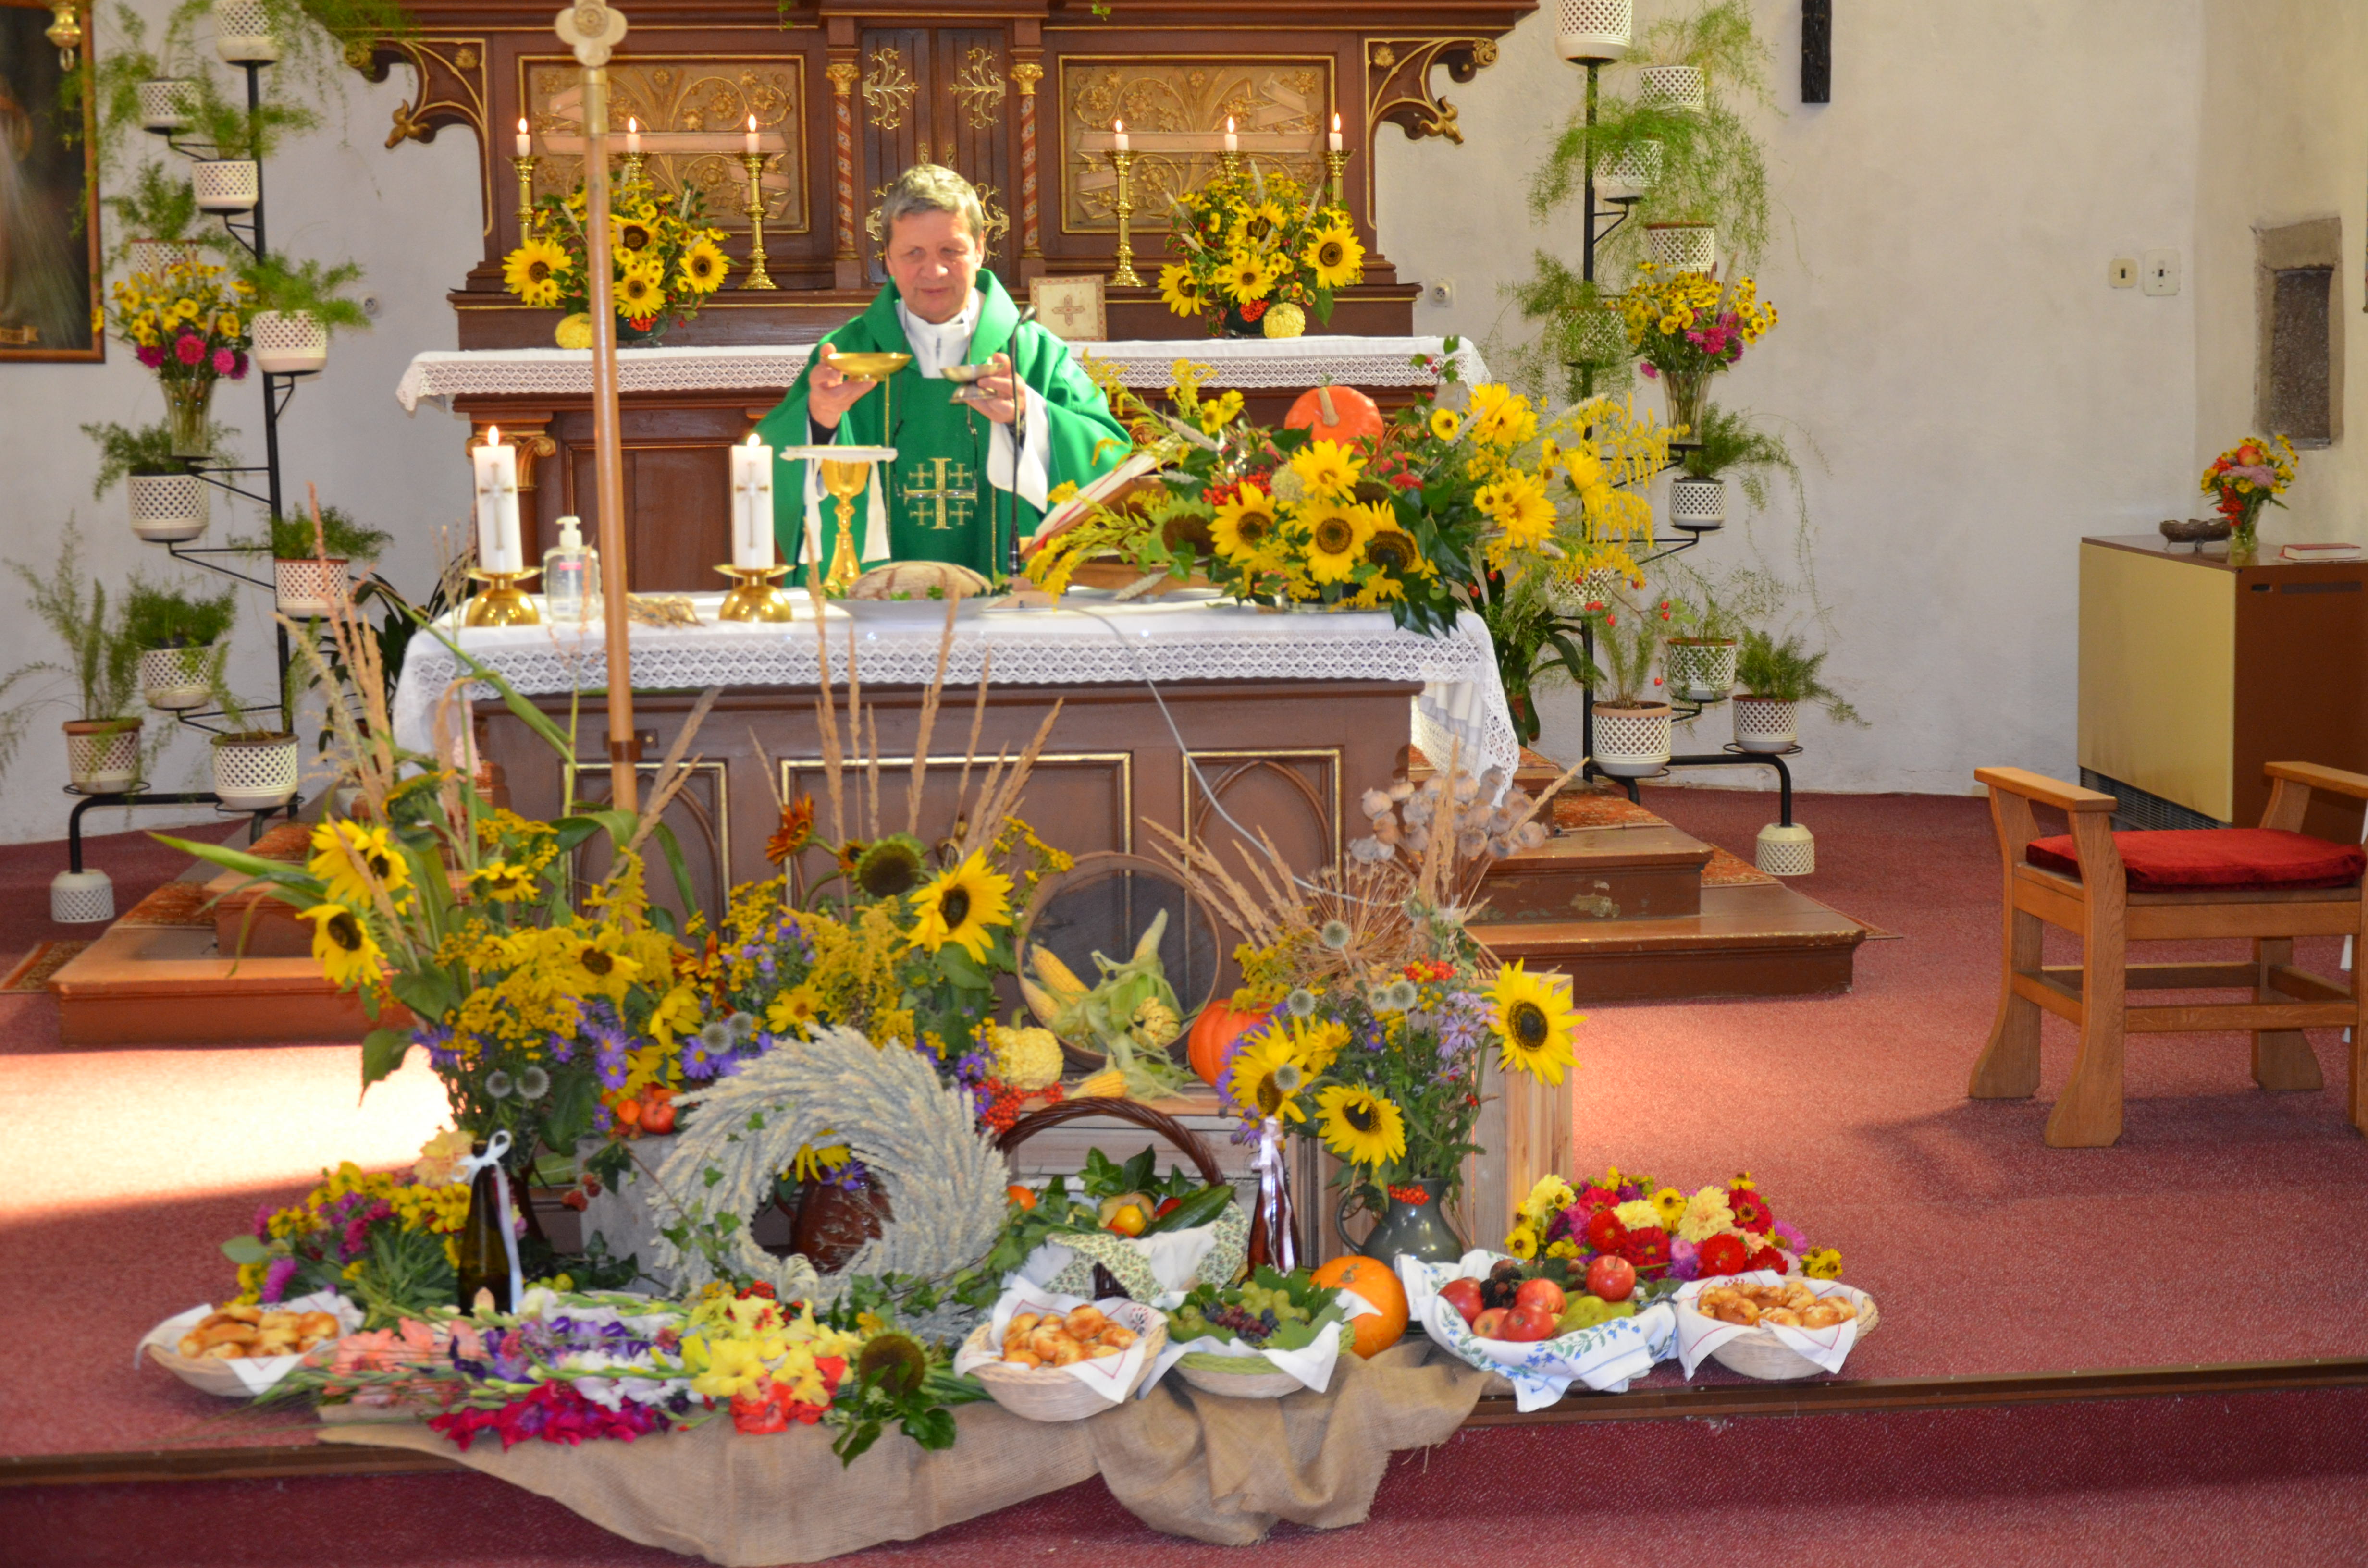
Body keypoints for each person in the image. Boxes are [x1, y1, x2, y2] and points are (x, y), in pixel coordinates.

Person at [755, 164, 1129, 580]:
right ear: (888, 259)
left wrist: (1034, 419)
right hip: (873, 603)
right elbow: (769, 467)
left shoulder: (1034, 353)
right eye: (913, 253)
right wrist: (820, 420)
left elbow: (1110, 466)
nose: (934, 271)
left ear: (980, 250)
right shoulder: (846, 357)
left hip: (1010, 603)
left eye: (951, 250)